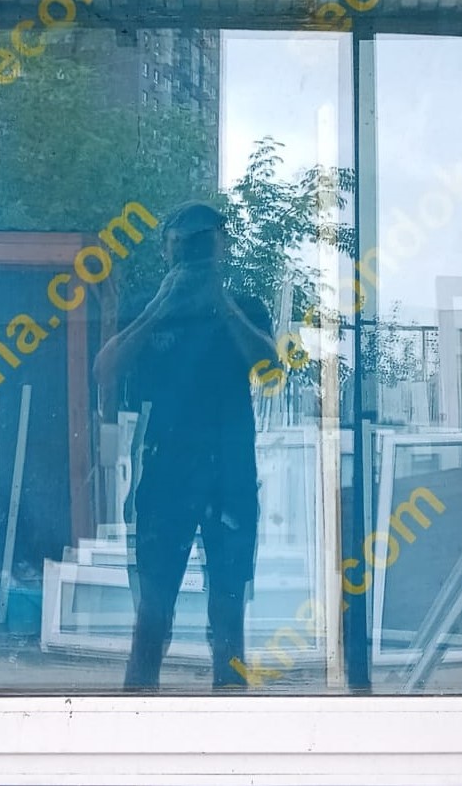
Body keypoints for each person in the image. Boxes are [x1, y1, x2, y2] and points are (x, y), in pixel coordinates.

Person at [94, 201, 275, 690]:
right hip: (166, 472)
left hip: (229, 474)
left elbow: (271, 371)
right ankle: (138, 712)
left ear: (222, 250)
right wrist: (160, 306)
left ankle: (230, 714)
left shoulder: (245, 306)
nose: (193, 255)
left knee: (229, 610)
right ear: (165, 251)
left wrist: (223, 304)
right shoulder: (148, 307)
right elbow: (104, 370)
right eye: (184, 245)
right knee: (152, 612)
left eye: (203, 245)